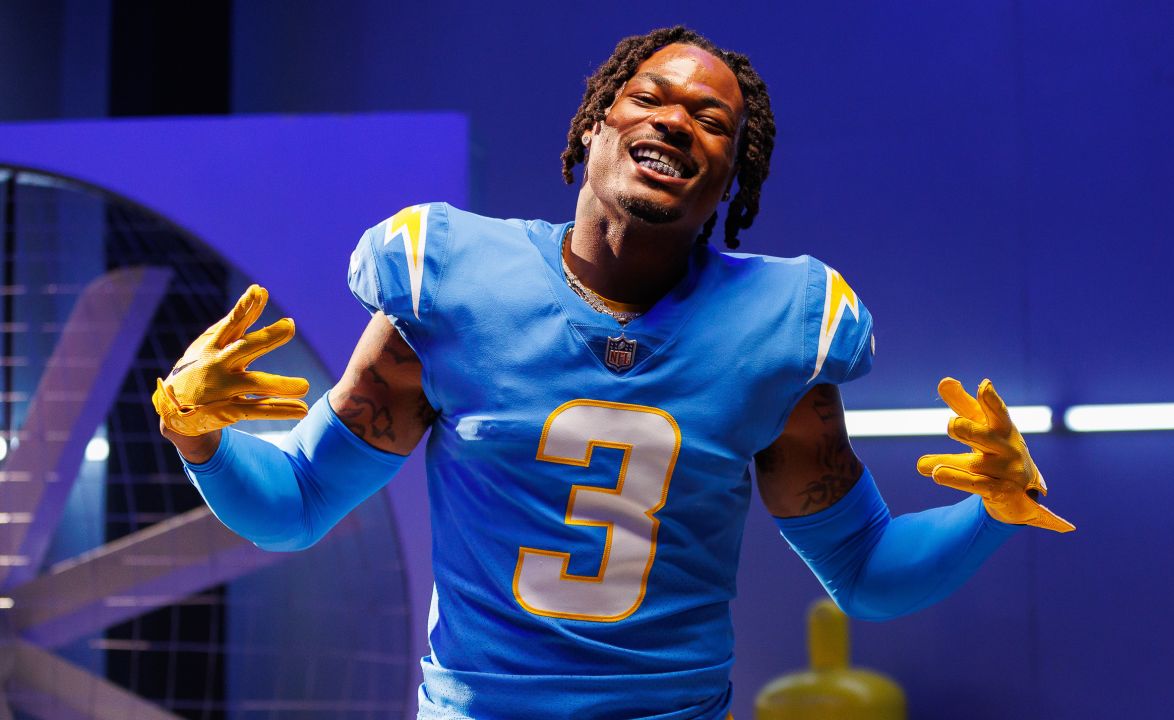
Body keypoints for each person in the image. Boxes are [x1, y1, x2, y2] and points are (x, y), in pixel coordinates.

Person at [153, 26, 1073, 720]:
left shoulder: (782, 328)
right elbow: (298, 501)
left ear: (731, 181)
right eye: (650, 97)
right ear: (596, 122)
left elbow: (866, 572)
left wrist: (992, 508)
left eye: (714, 120)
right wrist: (196, 434)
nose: (677, 118)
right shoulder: (450, 284)